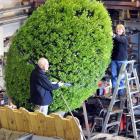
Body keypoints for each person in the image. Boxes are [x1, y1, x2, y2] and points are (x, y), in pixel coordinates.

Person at [111, 24, 129, 97]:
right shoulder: (115, 38)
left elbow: (119, 39)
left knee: (121, 77)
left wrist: (113, 35)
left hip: (122, 60)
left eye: (120, 29)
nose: (118, 30)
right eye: (117, 29)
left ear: (123, 30)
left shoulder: (124, 38)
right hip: (114, 60)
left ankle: (120, 94)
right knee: (113, 76)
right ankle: (114, 93)